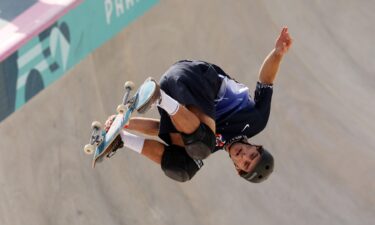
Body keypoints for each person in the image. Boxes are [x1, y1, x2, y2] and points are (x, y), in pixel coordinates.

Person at [105, 27, 293, 183]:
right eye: (252, 156)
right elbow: (265, 81)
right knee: (202, 146)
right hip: (197, 77)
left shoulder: (209, 143)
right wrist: (277, 54)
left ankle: (122, 138)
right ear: (256, 147)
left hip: (172, 90)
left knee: (185, 167)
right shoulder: (257, 121)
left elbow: (158, 128)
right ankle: (159, 98)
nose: (244, 156)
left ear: (237, 168)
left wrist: (124, 122)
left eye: (244, 163)